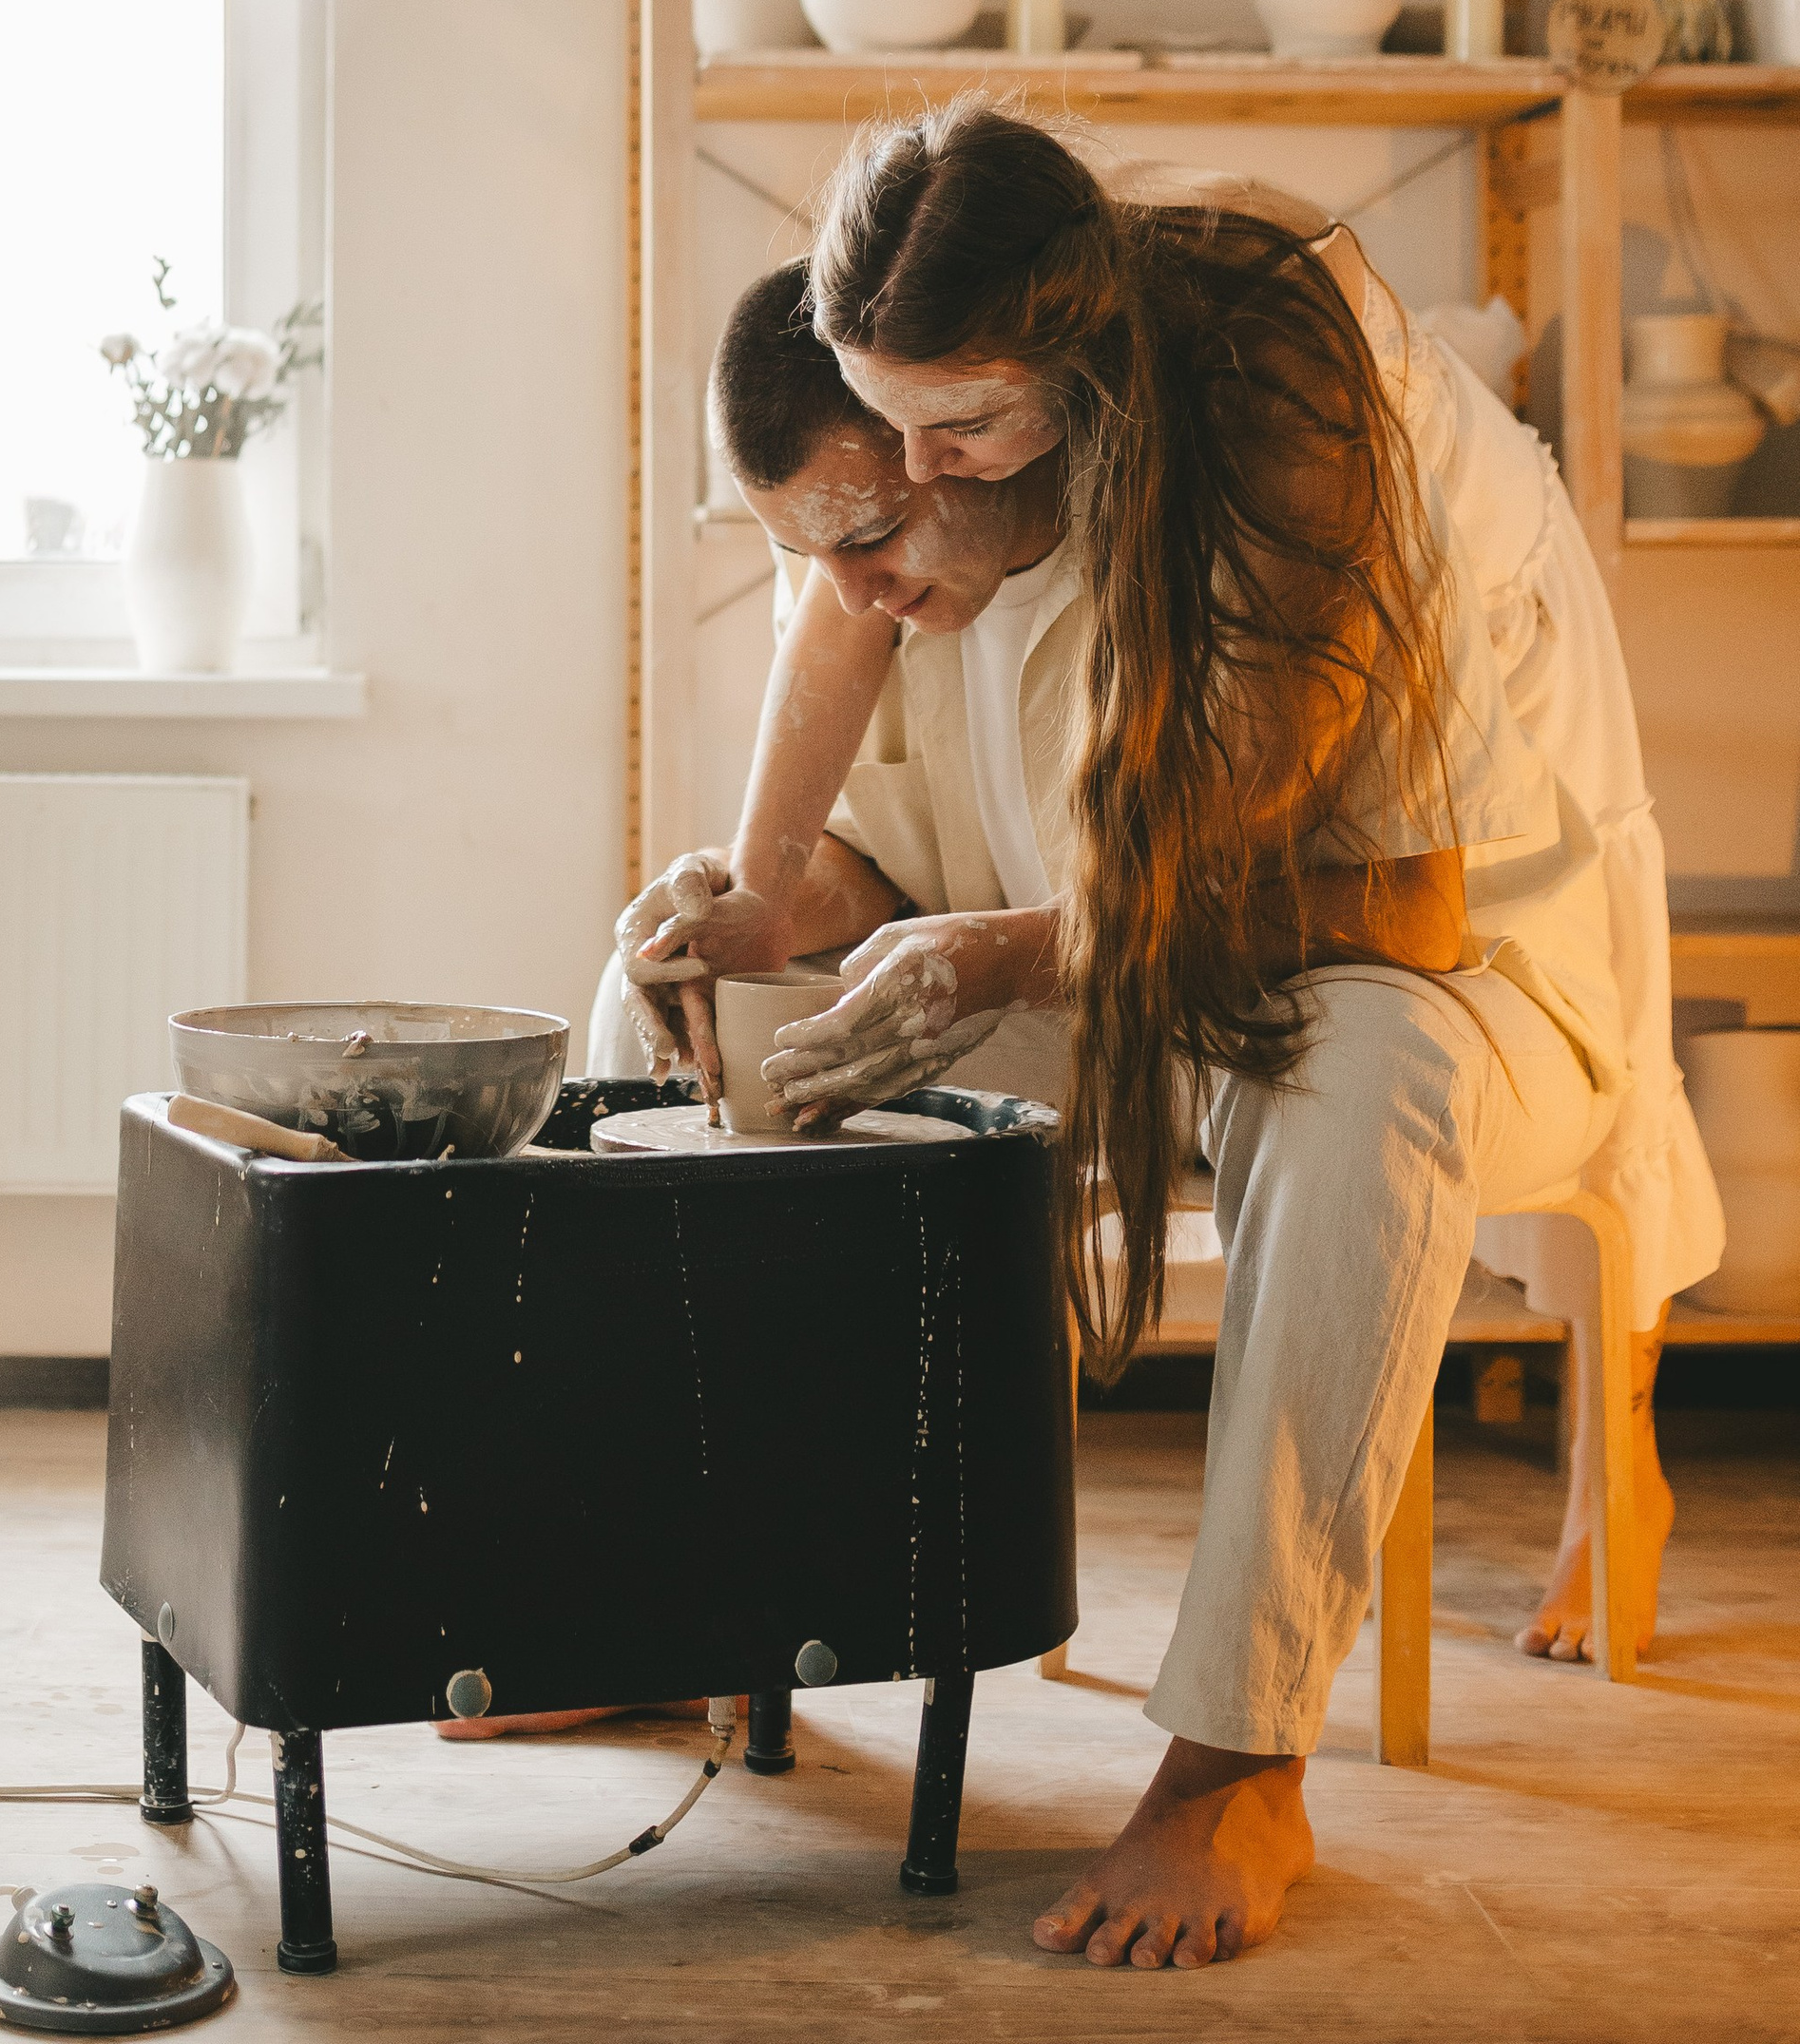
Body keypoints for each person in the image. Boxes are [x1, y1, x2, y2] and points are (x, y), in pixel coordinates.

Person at [620, 105, 1714, 1971]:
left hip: (1441, 954)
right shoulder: (964, 448)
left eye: (931, 445)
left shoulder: (1294, 431)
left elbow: (1402, 916)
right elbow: (853, 607)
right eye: (879, 442)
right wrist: (772, 887)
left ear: (1055, 380)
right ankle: (663, 1611)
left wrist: (1007, 952)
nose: (895, 485)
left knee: (1370, 1066)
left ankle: (1236, 1759)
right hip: (1140, 960)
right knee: (677, 978)